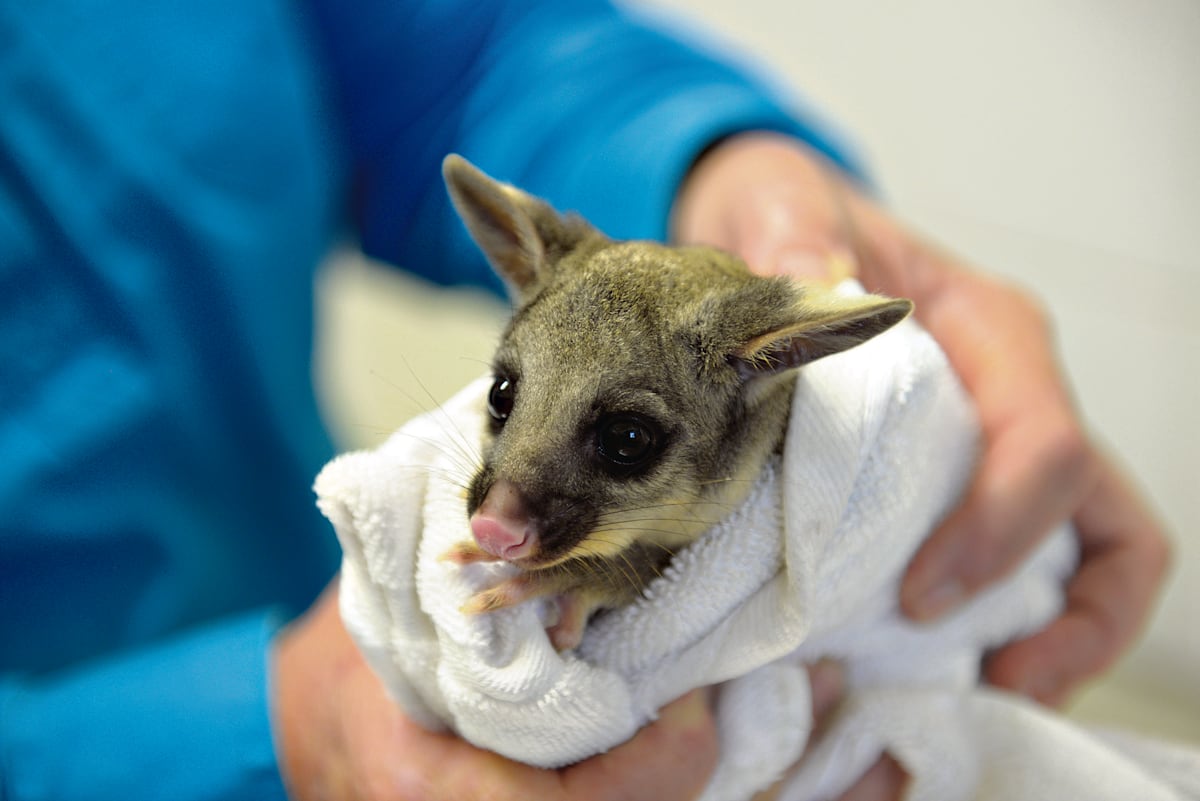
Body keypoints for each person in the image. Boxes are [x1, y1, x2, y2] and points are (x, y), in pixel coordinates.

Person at [0, 2, 1169, 800]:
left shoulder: (766, 370)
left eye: (618, 440)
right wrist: (253, 745)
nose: (498, 503)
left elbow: (461, 52)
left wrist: (725, 171)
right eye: (505, 401)